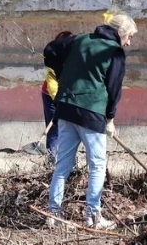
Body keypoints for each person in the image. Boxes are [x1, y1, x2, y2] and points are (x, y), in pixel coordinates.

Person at [45, 12, 137, 230]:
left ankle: (53, 215)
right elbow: (114, 89)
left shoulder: (79, 40)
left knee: (62, 165)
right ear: (120, 32)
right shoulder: (114, 52)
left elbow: (50, 49)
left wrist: (63, 75)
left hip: (66, 108)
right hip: (91, 112)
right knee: (97, 166)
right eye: (129, 36)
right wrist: (110, 118)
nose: (129, 42)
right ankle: (93, 217)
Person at [39, 31, 73, 156]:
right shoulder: (53, 57)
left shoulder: (73, 58)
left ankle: (64, 157)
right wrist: (58, 102)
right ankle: (52, 158)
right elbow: (53, 86)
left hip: (65, 96)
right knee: (54, 126)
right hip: (51, 95)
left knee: (67, 129)